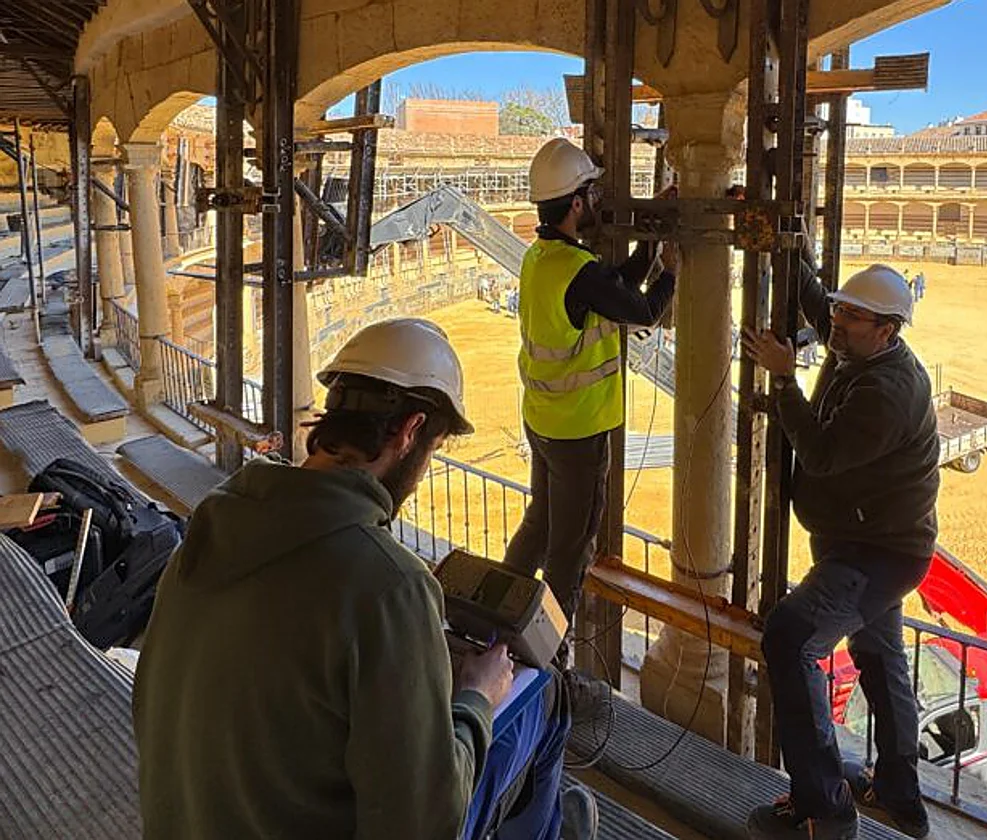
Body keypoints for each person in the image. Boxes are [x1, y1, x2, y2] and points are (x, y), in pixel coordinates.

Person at [133, 318, 597, 840]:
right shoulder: (390, 584)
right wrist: (475, 698)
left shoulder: (213, 524)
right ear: (410, 431)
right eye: (434, 449)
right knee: (542, 694)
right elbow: (424, 821)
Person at [742, 263, 940, 840]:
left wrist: (783, 381)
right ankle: (901, 800)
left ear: (889, 330)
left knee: (790, 637)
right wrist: (792, 240)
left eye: (854, 317)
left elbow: (823, 452)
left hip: (875, 551)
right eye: (840, 311)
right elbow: (815, 300)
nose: (839, 324)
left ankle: (824, 809)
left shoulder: (887, 390)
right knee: (879, 658)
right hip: (880, 541)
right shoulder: (859, 350)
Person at [503, 138, 678, 662]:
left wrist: (648, 244)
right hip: (578, 431)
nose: (597, 198)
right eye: (592, 192)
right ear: (576, 203)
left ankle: (494, 614)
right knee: (568, 550)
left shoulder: (544, 259)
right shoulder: (575, 268)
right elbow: (643, 311)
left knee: (540, 523)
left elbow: (612, 288)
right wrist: (670, 271)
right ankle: (548, 661)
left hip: (543, 420)